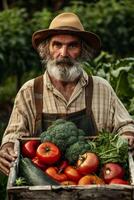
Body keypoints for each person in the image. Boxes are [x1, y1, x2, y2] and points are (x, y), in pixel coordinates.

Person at [0, 12, 134, 176]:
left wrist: (128, 135)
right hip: (44, 182)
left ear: (82, 50)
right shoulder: (30, 91)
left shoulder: (101, 88)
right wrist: (7, 148)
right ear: (47, 49)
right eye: (57, 45)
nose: (63, 53)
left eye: (72, 46)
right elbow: (14, 135)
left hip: (97, 181)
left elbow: (125, 125)